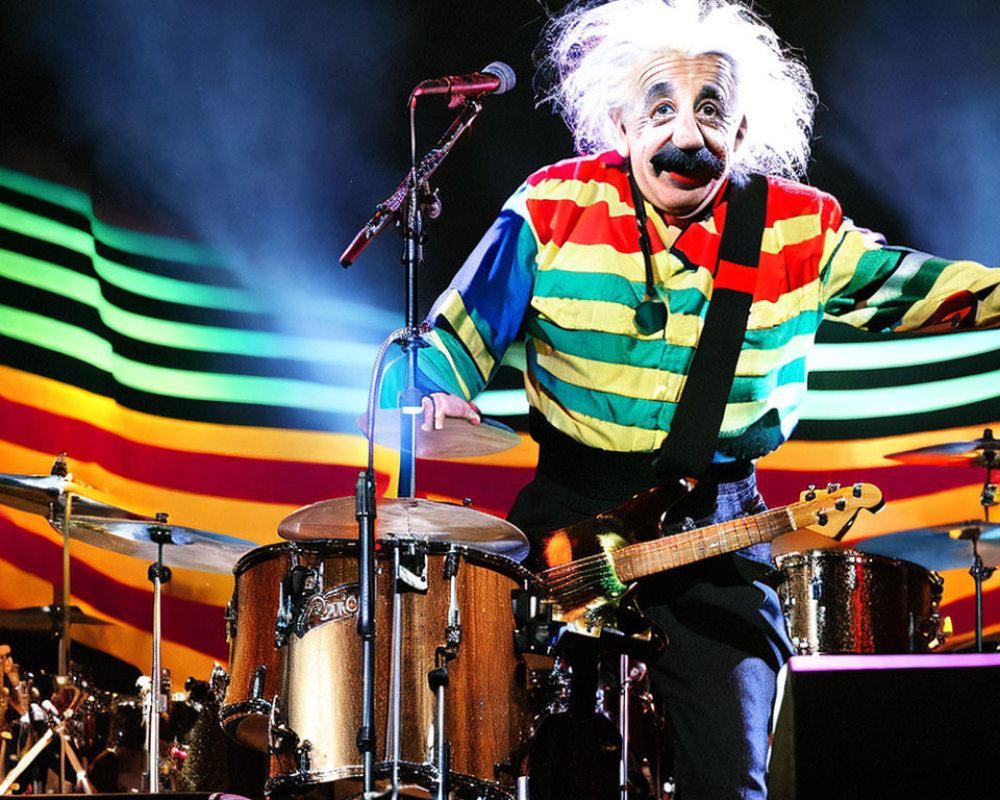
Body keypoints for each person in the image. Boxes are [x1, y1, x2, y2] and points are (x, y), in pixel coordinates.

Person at [382, 0, 1000, 796]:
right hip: (567, 518)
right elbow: (444, 346)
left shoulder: (797, 228)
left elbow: (921, 289)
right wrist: (435, 391)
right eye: (661, 109)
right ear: (622, 125)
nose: (685, 135)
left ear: (741, 133)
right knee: (514, 758)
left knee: (733, 769)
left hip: (719, 524)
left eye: (711, 111)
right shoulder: (549, 206)